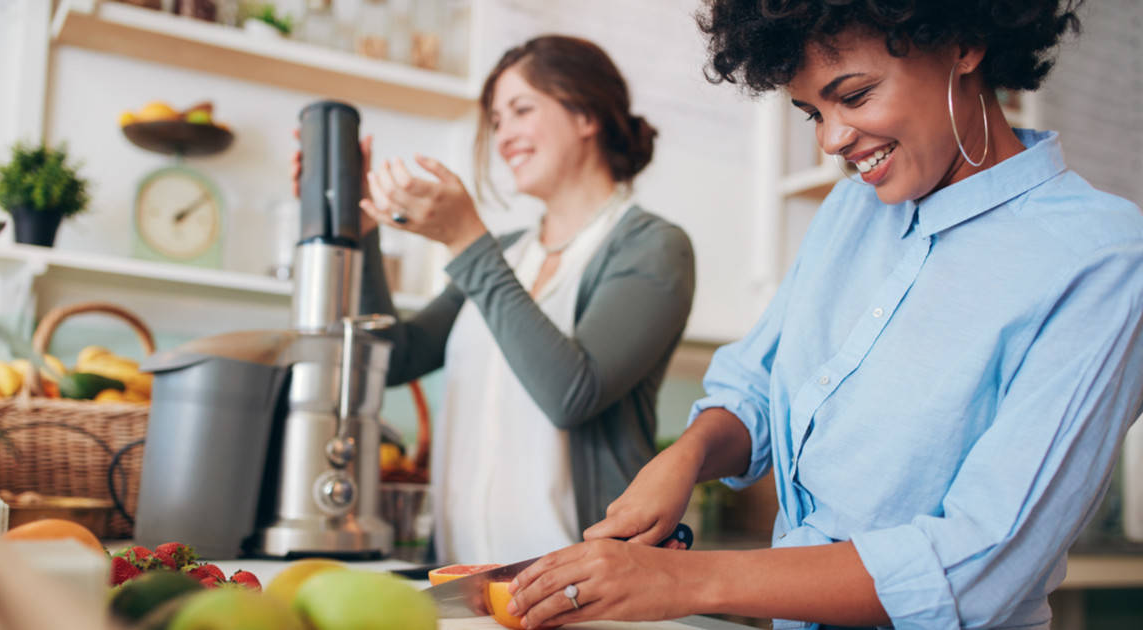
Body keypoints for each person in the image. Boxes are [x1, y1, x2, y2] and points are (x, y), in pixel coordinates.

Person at [506, 2, 1143, 629]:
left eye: (855, 96)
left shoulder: (1101, 257)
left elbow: (979, 563)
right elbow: (758, 389)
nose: (832, 140)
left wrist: (680, 580)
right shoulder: (849, 210)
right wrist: (687, 457)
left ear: (964, 45)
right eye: (813, 112)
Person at [295, 35, 695, 564]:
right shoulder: (506, 253)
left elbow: (573, 393)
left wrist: (466, 241)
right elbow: (396, 358)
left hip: (587, 584)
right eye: (497, 120)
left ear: (586, 115)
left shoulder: (653, 247)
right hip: (465, 578)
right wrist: (364, 232)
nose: (503, 135)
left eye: (521, 110)